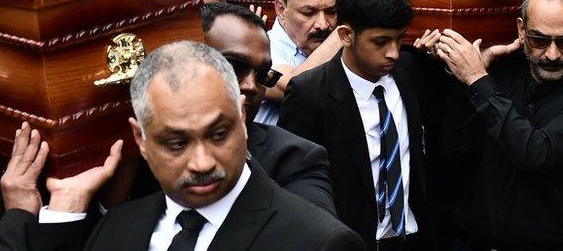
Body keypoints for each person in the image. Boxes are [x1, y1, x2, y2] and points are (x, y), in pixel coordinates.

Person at [26, 41, 363, 251]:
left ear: (242, 118)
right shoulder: (117, 230)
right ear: (140, 140)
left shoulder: (318, 242)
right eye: (176, 143)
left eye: (219, 135)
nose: (202, 163)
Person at [436, 0, 563, 250]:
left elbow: (536, 153)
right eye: (539, 40)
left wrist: (476, 79)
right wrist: (461, 81)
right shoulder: (497, 73)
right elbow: (454, 149)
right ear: (521, 30)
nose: (553, 54)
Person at [279, 0, 435, 250]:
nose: (393, 53)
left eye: (399, 40)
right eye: (380, 42)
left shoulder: (410, 71)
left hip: (413, 238)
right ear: (346, 35)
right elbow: (294, 183)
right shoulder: (310, 94)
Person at [201, 2, 336, 213]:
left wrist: (237, 151)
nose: (251, 86)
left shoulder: (296, 157)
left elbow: (320, 236)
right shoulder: (146, 155)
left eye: (263, 75)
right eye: (234, 67)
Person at [256, 0, 340, 125]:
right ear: (281, 10)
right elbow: (293, 89)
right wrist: (347, 29)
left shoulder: (341, 46)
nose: (323, 24)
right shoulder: (260, 48)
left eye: (332, 12)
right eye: (309, 12)